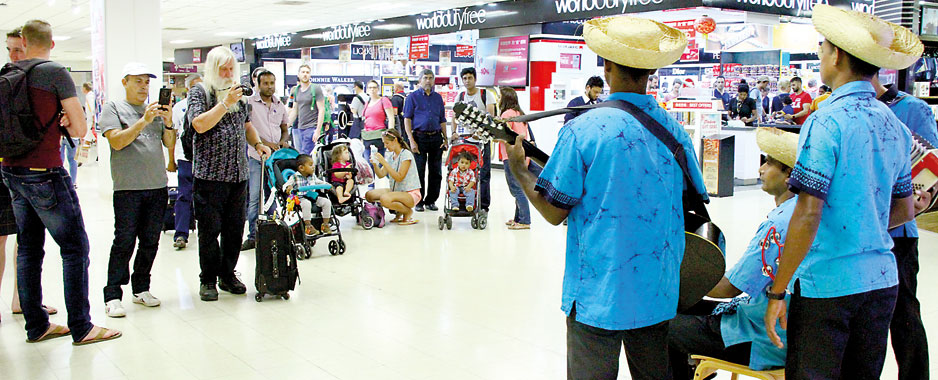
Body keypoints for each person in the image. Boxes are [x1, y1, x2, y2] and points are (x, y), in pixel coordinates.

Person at [504, 16, 707, 379]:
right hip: (656, 287)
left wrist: (521, 170)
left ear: (607, 66)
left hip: (599, 290)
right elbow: (693, 197)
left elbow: (554, 211)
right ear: (651, 72)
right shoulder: (676, 130)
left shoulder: (583, 129)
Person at [763, 6, 922, 379]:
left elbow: (807, 212)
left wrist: (778, 291)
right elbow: (905, 208)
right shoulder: (893, 124)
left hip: (828, 286)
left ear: (837, 56)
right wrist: (865, 222)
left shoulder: (825, 121)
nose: (819, 56)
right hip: (882, 281)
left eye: (822, 48)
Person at [1, 19, 120, 345]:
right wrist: (66, 119)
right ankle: (82, 326)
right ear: (52, 44)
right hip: (45, 172)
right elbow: (81, 130)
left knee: (27, 248)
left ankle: (36, 325)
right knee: (75, 248)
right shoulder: (53, 72)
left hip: (11, 171)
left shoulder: (8, 74)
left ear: (23, 41)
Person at [669, 127, 798, 378]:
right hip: (782, 330)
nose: (761, 169)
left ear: (789, 175)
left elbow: (728, 289)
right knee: (686, 309)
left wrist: (676, 278)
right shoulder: (804, 214)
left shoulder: (779, 225)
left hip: (759, 338)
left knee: (662, 326)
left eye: (769, 163)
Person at [188, 46, 272, 302]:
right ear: (212, 70)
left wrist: (257, 143)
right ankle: (208, 279)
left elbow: (246, 125)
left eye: (230, 69)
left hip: (238, 174)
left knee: (235, 230)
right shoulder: (200, 92)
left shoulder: (240, 97)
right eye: (222, 69)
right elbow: (199, 124)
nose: (227, 74)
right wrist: (225, 104)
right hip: (210, 176)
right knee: (209, 231)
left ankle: (227, 275)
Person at [874, 71, 938, 380]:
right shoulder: (833, 108)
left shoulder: (912, 109)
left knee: (904, 317)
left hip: (897, 234)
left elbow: (931, 174)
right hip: (852, 233)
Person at [99, 63, 174, 318]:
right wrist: (143, 121)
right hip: (128, 188)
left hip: (157, 186)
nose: (144, 87)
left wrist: (169, 121)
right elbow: (117, 142)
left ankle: (141, 288)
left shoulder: (155, 111)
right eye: (138, 81)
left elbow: (169, 143)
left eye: (146, 82)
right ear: (125, 82)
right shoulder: (113, 108)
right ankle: (112, 294)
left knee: (150, 241)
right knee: (124, 241)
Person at [2, 26, 60, 321]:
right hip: (8, 169)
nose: (14, 55)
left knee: (27, 240)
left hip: (32, 170)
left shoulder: (41, 82)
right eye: (10, 49)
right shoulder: (5, 81)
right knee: (4, 239)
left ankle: (22, 300)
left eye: (19, 49)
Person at [241, 69, 290, 251]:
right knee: (255, 197)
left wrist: (283, 141)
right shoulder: (249, 103)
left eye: (272, 83)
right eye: (265, 83)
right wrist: (265, 143)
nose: (269, 87)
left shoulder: (279, 104)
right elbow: (247, 129)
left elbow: (284, 128)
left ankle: (273, 231)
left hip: (275, 159)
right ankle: (253, 236)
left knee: (272, 195)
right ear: (258, 84)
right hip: (256, 157)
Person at [403, 69, 447, 212]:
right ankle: (419, 201)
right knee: (419, 171)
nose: (428, 80)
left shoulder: (438, 98)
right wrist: (411, 140)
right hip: (419, 137)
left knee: (436, 171)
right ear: (420, 80)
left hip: (436, 137)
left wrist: (445, 138)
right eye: (425, 78)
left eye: (431, 78)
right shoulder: (412, 97)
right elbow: (407, 119)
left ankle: (431, 200)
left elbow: (442, 120)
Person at [499, 87, 542, 230]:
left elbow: (503, 136)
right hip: (524, 155)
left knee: (516, 189)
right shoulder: (520, 114)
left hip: (511, 156)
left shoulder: (506, 115)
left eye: (500, 97)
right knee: (519, 187)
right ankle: (518, 218)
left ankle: (524, 220)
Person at [451, 67, 494, 212]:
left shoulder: (486, 94)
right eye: (464, 78)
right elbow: (454, 116)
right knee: (463, 169)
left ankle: (483, 205)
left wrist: (479, 132)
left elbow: (490, 117)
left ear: (475, 79)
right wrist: (453, 132)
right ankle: (464, 201)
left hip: (482, 140)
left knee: (483, 172)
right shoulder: (460, 96)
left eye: (470, 78)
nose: (467, 81)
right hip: (464, 138)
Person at [169, 73, 201, 249]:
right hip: (184, 158)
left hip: (205, 159)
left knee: (204, 197)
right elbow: (172, 134)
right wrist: (171, 159)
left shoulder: (209, 107)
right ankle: (181, 233)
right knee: (184, 195)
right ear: (188, 89)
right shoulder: (179, 108)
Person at [366, 129, 421, 225]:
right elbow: (381, 174)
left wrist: (384, 162)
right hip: (396, 190)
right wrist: (375, 164)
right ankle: (399, 211)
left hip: (410, 193)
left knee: (385, 199)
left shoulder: (406, 155)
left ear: (395, 140)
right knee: (369, 195)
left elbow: (399, 177)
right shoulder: (391, 156)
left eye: (387, 143)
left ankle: (407, 212)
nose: (385, 146)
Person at [283, 154, 332, 235]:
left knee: (327, 202)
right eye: (310, 165)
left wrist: (327, 185)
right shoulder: (294, 177)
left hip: (312, 196)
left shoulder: (313, 176)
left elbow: (319, 182)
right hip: (301, 198)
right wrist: (289, 187)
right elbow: (285, 185)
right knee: (306, 204)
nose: (313, 167)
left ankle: (325, 225)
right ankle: (308, 226)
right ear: (301, 168)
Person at [287, 64, 324, 154]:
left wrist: (318, 130)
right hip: (300, 128)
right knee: (300, 155)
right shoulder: (296, 90)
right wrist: (287, 126)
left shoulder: (315, 88)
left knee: (305, 155)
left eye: (307, 72)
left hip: (311, 127)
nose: (305, 74)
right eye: (303, 72)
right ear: (298, 75)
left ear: (310, 75)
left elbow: (321, 109)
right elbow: (295, 110)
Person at [361, 79, 395, 167]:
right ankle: (372, 181)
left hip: (380, 135)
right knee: (368, 164)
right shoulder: (367, 103)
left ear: (378, 89)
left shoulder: (384, 100)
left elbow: (391, 117)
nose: (372, 89)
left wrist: (390, 134)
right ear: (367, 90)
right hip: (367, 136)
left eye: (374, 87)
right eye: (370, 88)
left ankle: (393, 179)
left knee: (382, 164)